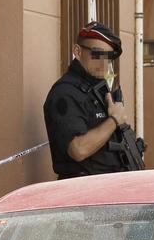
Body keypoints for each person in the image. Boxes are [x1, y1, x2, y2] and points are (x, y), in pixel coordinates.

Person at [42, 22, 132, 180]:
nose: (104, 63)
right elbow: (78, 149)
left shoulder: (98, 90)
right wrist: (114, 120)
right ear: (77, 51)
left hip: (108, 187)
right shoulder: (65, 93)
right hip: (83, 190)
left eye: (108, 56)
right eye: (97, 54)